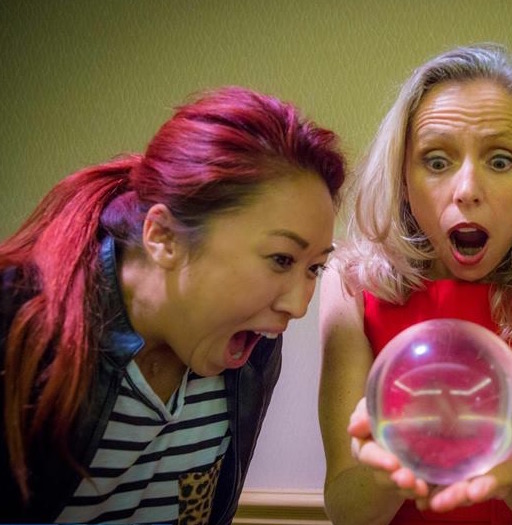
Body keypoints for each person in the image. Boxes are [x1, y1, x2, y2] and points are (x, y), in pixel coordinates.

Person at [0, 87, 346, 523]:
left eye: (314, 268)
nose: (298, 306)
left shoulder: (251, 350)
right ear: (163, 237)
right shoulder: (17, 329)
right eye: (281, 259)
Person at [318, 43, 512, 525]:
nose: (466, 190)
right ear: (403, 178)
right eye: (436, 161)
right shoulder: (351, 282)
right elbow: (345, 508)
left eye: (500, 161)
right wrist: (395, 461)